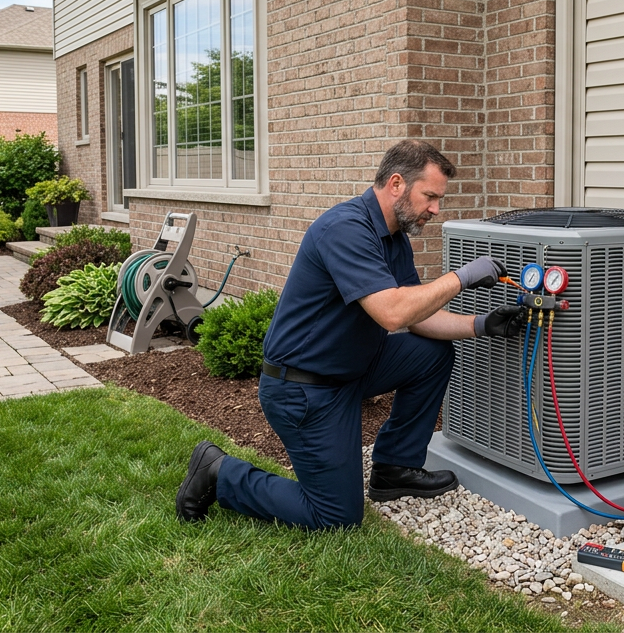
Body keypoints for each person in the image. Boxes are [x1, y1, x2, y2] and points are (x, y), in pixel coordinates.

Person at [175, 140, 526, 529]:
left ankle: (395, 469)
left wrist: (480, 324)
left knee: (431, 353)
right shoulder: (345, 229)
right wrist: (462, 278)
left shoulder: (394, 238)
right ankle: (219, 472)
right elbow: (392, 313)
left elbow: (417, 318)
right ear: (396, 184)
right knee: (335, 516)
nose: (436, 209)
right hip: (305, 389)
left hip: (352, 368)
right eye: (430, 196)